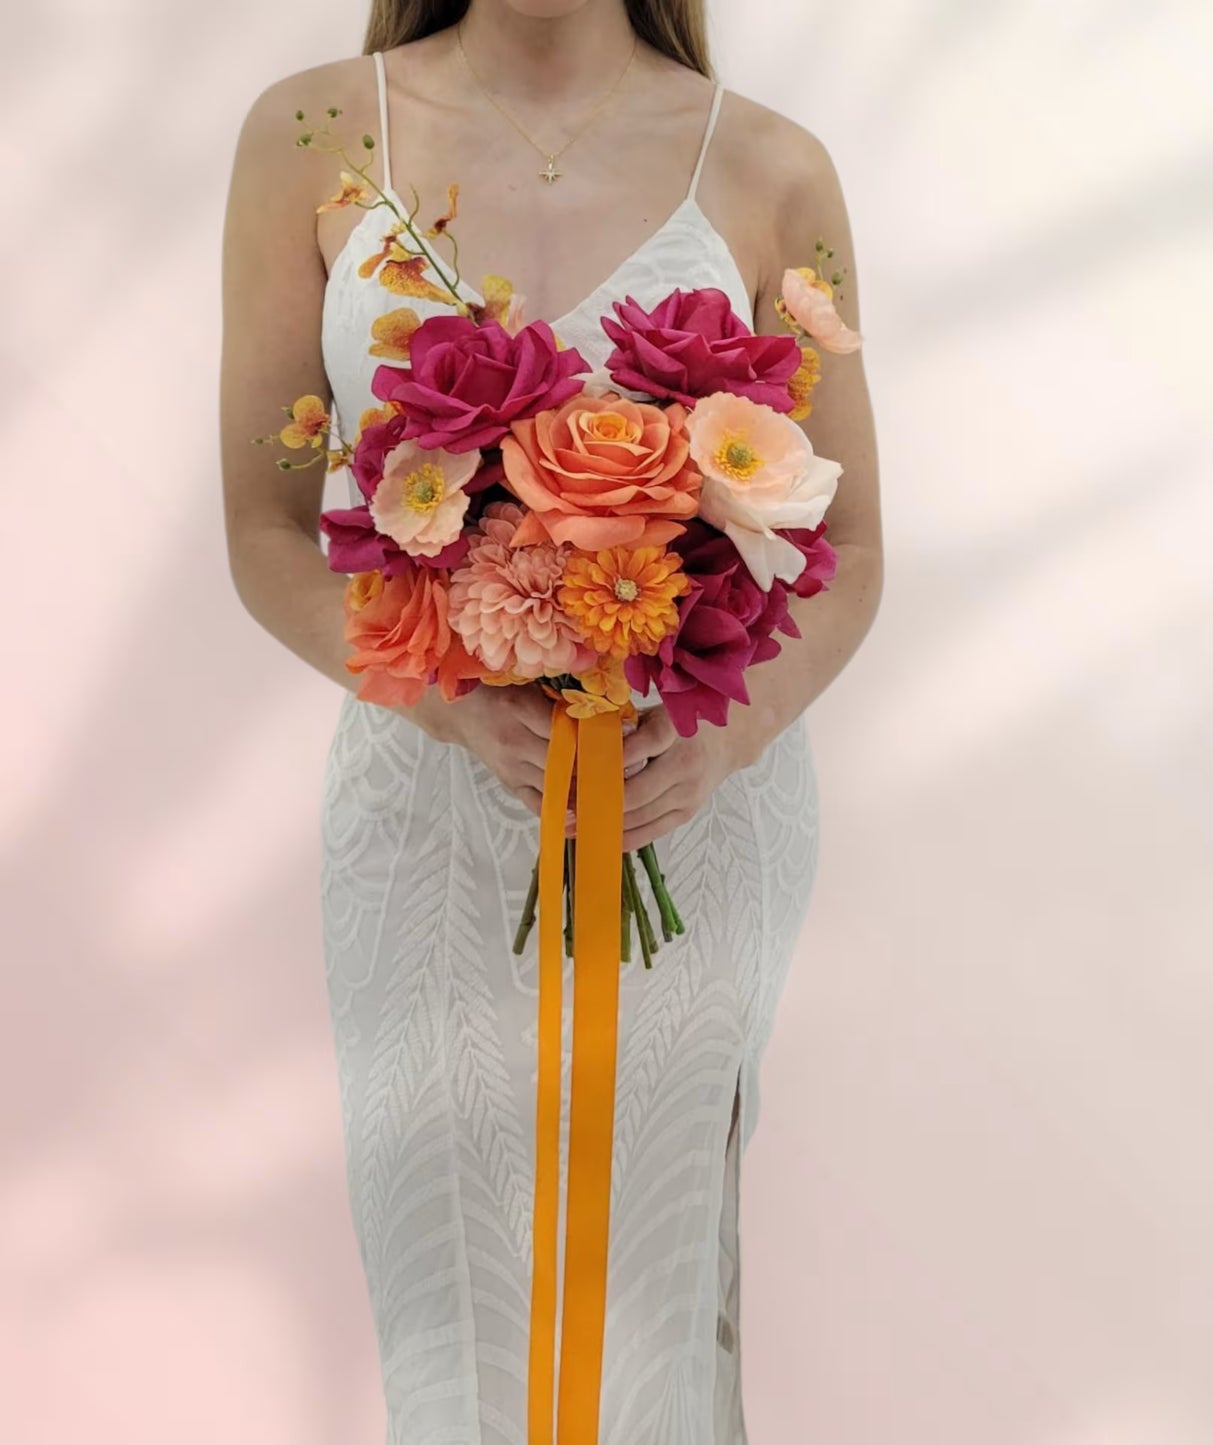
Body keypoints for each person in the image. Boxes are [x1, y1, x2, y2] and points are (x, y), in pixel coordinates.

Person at [219, 1, 882, 1439]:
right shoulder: (313, 136)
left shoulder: (774, 167)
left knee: (661, 1273)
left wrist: (728, 735)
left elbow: (849, 547)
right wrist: (448, 700)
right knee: (446, 1282)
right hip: (424, 807)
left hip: (689, 809)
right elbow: (265, 531)